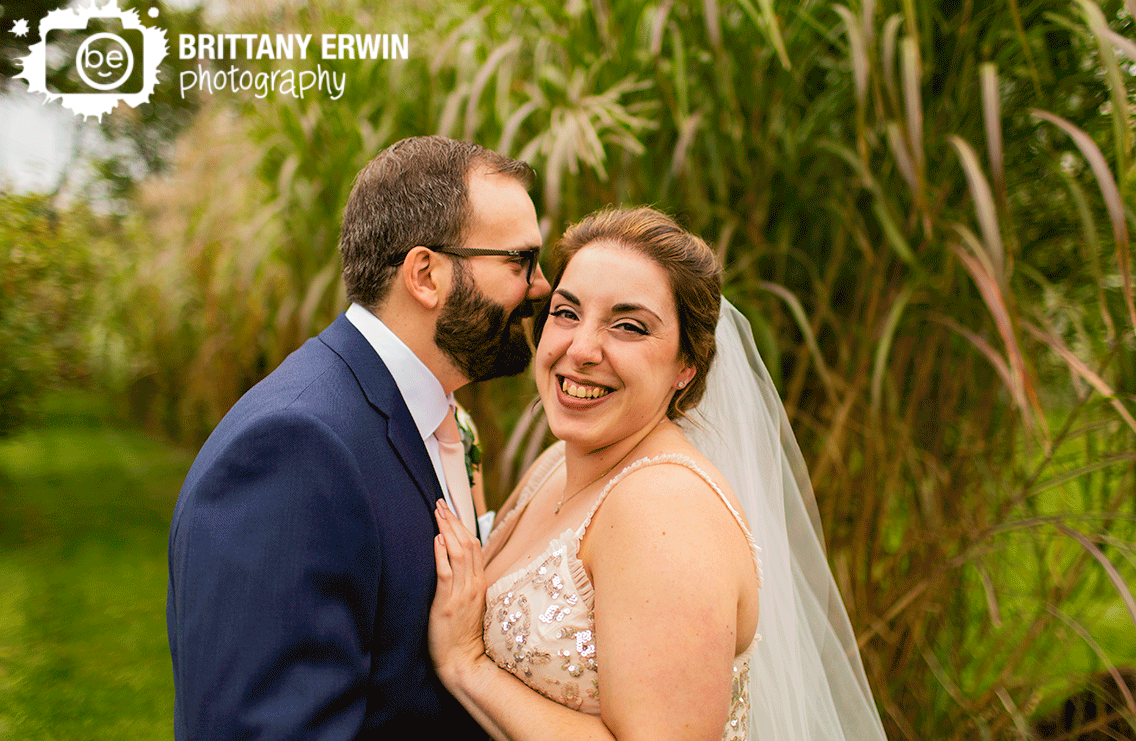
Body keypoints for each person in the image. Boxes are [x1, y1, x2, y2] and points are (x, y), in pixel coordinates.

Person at [428, 208, 889, 740]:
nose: (581, 350)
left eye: (628, 326)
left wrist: (467, 666)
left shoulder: (668, 512)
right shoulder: (557, 465)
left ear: (685, 367)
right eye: (567, 313)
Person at [166, 135, 550, 739]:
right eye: (519, 262)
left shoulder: (430, 414)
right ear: (426, 274)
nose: (542, 287)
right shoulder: (295, 448)